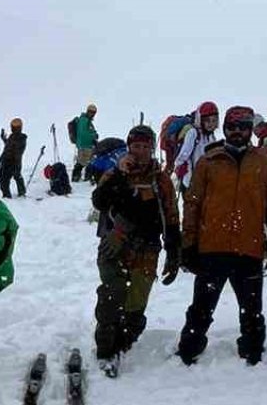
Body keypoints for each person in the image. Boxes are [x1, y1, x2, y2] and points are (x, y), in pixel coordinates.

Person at [177, 106, 267, 365]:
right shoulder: (208, 162)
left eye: (242, 127)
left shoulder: (266, 164)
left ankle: (252, 352)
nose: (237, 132)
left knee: (252, 310)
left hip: (249, 249)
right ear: (224, 129)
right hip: (212, 248)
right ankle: (189, 350)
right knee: (201, 308)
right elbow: (192, 205)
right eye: (231, 127)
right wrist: (189, 244)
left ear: (250, 130)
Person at [90, 125, 181, 378]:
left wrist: (174, 249)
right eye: (136, 146)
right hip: (114, 243)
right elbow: (99, 201)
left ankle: (125, 340)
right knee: (113, 293)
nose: (140, 152)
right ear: (129, 147)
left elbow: (171, 215)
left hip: (148, 247)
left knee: (136, 302)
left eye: (145, 147)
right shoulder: (115, 172)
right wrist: (119, 175)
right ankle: (106, 349)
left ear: (152, 149)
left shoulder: (160, 179)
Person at [173, 101, 219, 191]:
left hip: (206, 182)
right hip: (191, 182)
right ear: (200, 120)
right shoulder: (193, 133)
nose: (211, 124)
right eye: (207, 120)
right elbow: (183, 155)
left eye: (214, 120)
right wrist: (181, 167)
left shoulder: (212, 137)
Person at [0, 118, 28, 198]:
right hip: (7, 161)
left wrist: (12, 163)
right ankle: (6, 195)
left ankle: (21, 193)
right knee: (4, 180)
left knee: (16, 176)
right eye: (12, 127)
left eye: (15, 128)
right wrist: (4, 138)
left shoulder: (21, 139)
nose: (13, 129)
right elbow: (8, 146)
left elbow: (16, 151)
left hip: (13, 162)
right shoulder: (12, 137)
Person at [72, 104, 99, 182]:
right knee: (84, 162)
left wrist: (94, 135)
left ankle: (84, 177)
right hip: (84, 145)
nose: (93, 114)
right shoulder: (84, 120)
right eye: (91, 112)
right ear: (87, 111)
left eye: (94, 112)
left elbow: (87, 131)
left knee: (87, 161)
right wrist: (94, 136)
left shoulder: (86, 120)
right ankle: (79, 177)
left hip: (86, 145)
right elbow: (83, 133)